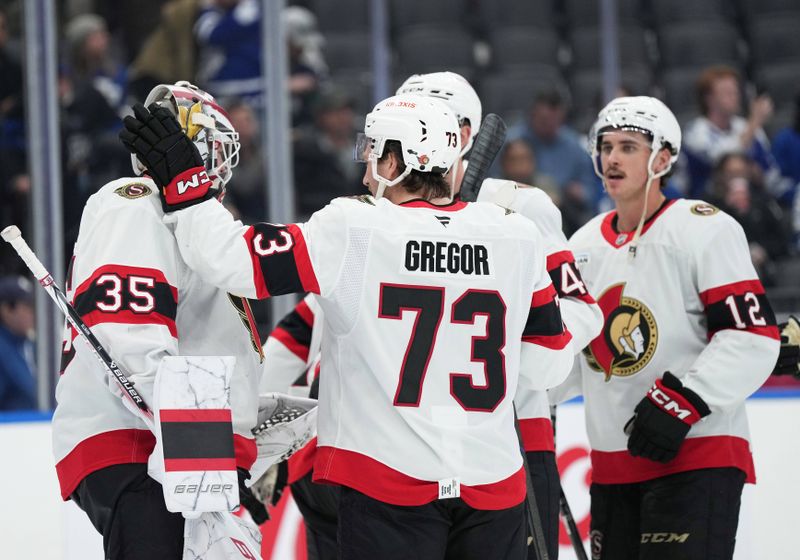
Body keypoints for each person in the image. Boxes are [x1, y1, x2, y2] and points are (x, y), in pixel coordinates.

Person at [120, 92, 575, 559]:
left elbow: (229, 259)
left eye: (375, 154)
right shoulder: (515, 235)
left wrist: (183, 177)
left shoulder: (354, 226)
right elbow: (549, 365)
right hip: (493, 486)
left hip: (387, 487)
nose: (365, 171)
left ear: (398, 159)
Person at [259, 71, 602, 560]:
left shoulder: (516, 209)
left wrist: (527, 366)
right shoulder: (378, 216)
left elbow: (579, 311)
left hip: (501, 440)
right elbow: (317, 317)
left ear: (460, 134)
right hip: (385, 448)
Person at [558, 96, 781, 560]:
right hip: (613, 464)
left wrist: (685, 400)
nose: (612, 158)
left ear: (662, 159)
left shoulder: (704, 229)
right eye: (605, 146)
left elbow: (751, 336)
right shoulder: (581, 245)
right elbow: (580, 360)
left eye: (628, 147)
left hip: (697, 456)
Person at [53, 81, 268, 559]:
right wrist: (201, 457)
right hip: (145, 450)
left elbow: (192, 350)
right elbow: (128, 336)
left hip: (172, 446)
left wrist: (253, 419)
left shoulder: (190, 228)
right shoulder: (137, 202)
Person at [682, 65, 782, 200]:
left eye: (736, 92)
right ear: (709, 99)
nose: (735, 97)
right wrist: (754, 123)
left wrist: (759, 175)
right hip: (708, 203)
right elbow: (721, 163)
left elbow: (771, 172)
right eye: (727, 93)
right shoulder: (695, 131)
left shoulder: (746, 127)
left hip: (753, 202)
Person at [0, 275, 36, 410]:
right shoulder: (3, 351)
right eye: (27, 306)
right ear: (7, 310)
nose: (32, 313)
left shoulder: (30, 345)